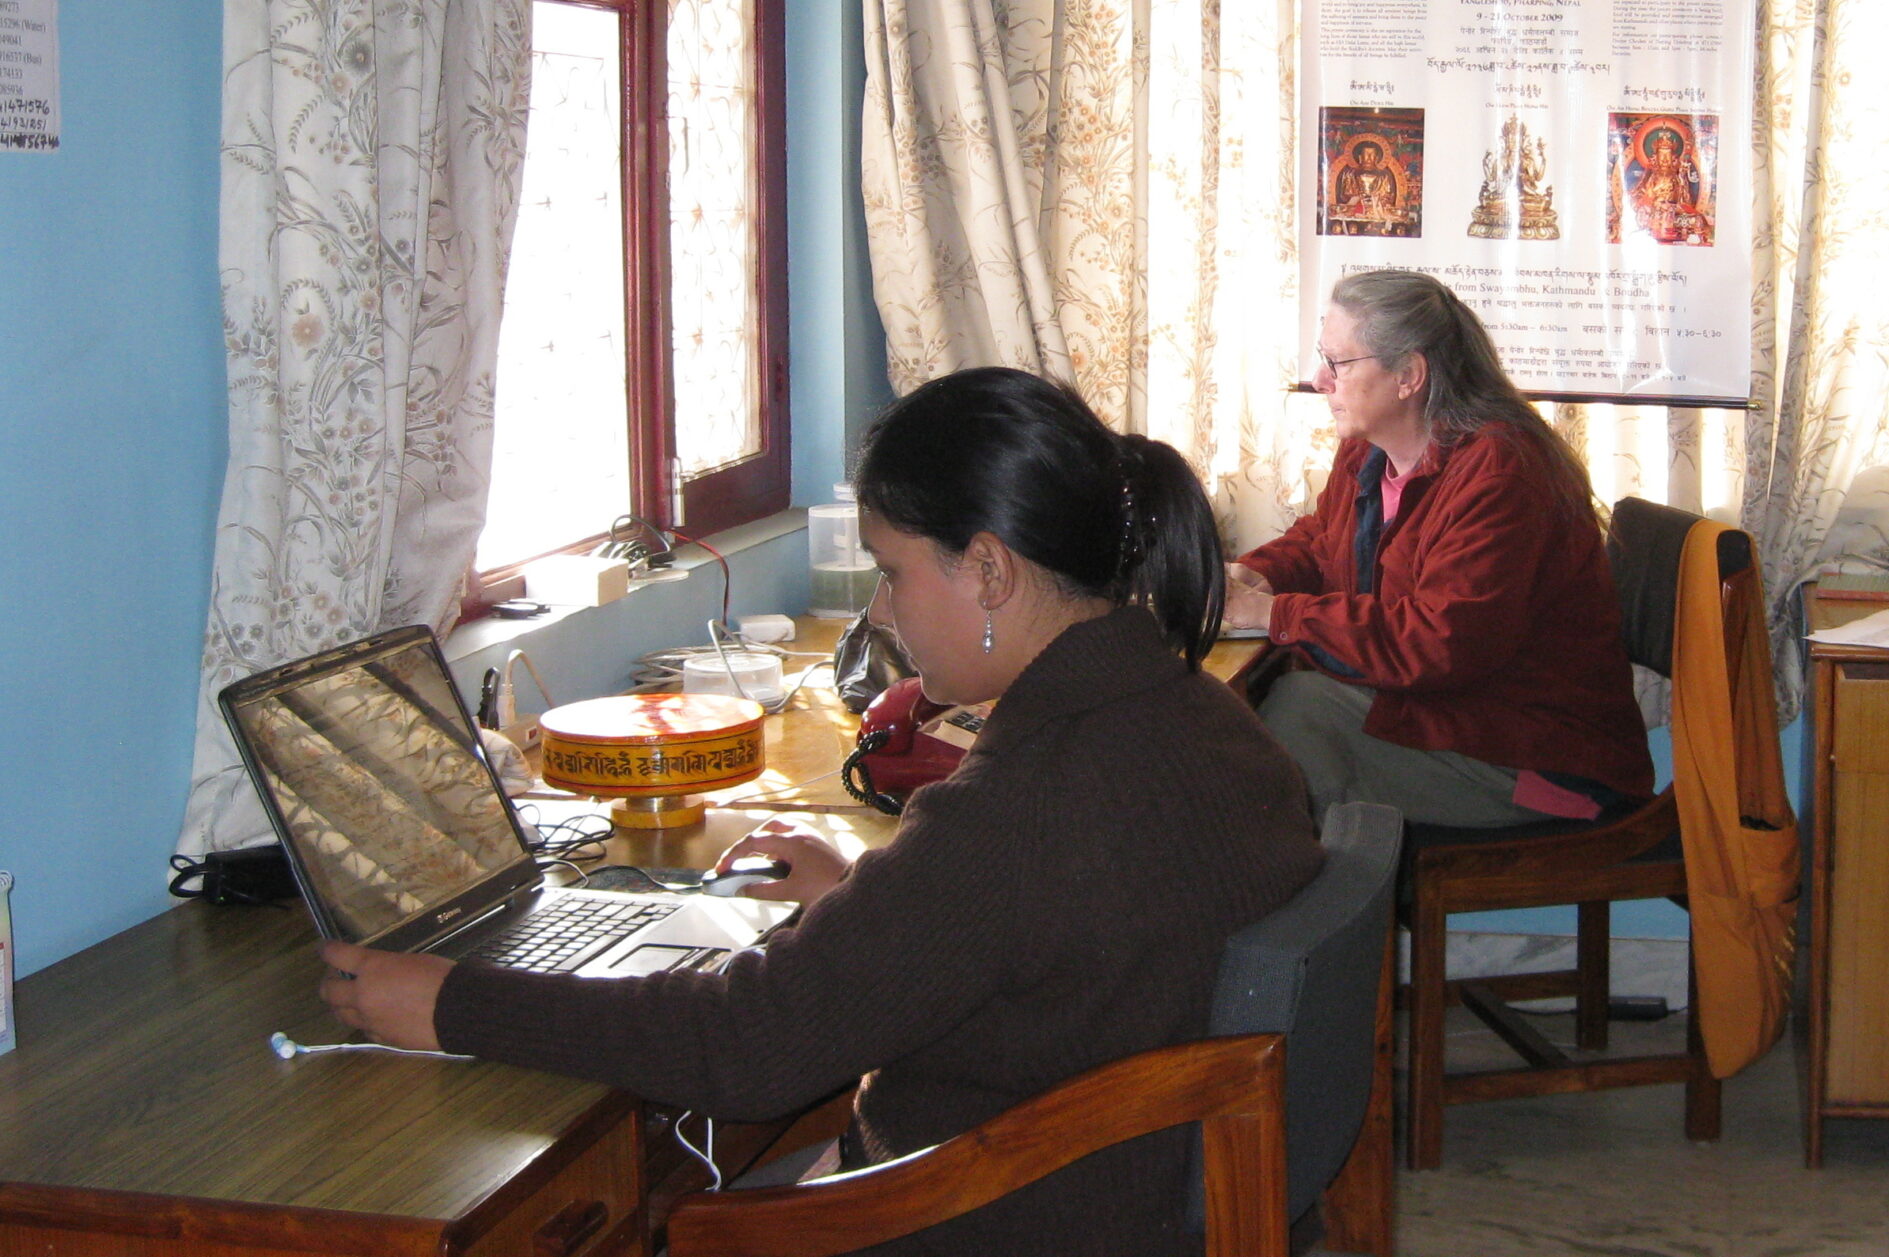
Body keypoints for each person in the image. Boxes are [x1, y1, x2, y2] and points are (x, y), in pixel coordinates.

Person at [319, 367, 1323, 1256]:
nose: (879, 612)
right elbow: (1065, 928)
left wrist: (451, 1004)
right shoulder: (1199, 713)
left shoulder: (1017, 808)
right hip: (1138, 1193)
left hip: (1011, 1212)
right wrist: (871, 900)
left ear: (987, 570)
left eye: (892, 572)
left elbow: (743, 1050)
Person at [1225, 269, 1652, 829]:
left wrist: (1275, 614)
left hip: (1544, 762)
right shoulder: (1367, 452)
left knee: (1299, 713)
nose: (1318, 380)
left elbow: (1438, 643)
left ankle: (1324, 902)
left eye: (1338, 363)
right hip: (1457, 721)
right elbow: (1320, 541)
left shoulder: (1503, 472)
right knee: (1281, 697)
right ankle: (1331, 895)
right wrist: (1254, 578)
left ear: (1409, 375)